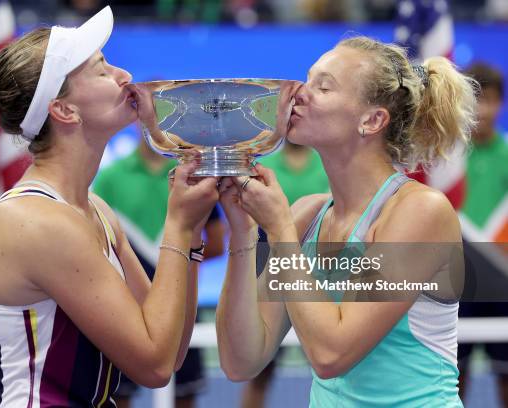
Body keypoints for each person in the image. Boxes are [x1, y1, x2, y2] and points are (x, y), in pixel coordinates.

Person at [0, 7, 218, 406]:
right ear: (64, 110)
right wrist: (179, 226)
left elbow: (172, 345)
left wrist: (192, 234)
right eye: (101, 69)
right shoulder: (37, 222)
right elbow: (155, 366)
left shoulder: (93, 209)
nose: (123, 75)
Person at [216, 36, 477, 406]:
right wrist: (244, 233)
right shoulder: (306, 216)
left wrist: (279, 233)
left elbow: (332, 355)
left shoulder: (421, 211)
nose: (299, 93)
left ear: (372, 120)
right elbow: (241, 361)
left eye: (323, 86)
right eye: (307, 80)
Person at [92, 135, 225, 408]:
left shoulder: (193, 179)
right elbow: (98, 247)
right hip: (125, 306)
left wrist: (180, 256)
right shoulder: (109, 179)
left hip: (182, 301)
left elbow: (216, 242)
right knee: (119, 392)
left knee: (184, 390)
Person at [241, 140, 328, 408]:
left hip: (318, 280)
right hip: (271, 274)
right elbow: (251, 226)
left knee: (327, 363)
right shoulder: (264, 167)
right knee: (258, 372)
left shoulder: (328, 167)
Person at [458, 62, 508, 406]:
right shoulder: (446, 160)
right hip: (458, 281)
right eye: (476, 100)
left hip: (503, 280)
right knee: (451, 378)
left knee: (506, 376)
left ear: (501, 103)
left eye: (490, 100)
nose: (483, 109)